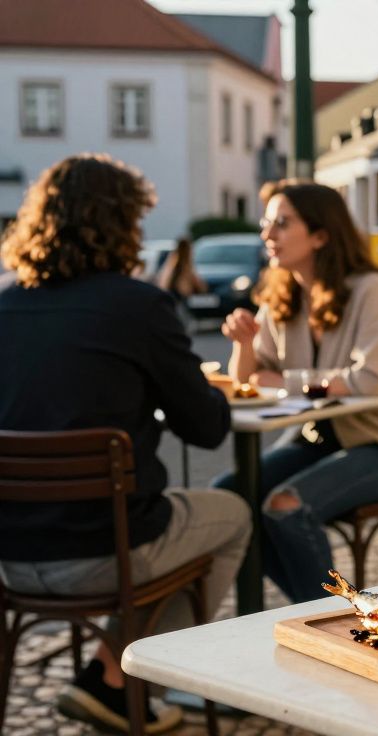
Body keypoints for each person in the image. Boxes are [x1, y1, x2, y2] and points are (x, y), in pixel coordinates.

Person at [0, 154, 250, 733]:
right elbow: (207, 428)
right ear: (124, 225)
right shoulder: (139, 306)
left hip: (10, 557)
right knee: (234, 513)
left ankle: (109, 676)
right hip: (104, 552)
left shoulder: (5, 305)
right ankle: (121, 676)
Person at [215, 181, 378, 603]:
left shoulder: (371, 289)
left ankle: (333, 618)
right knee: (229, 497)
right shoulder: (282, 293)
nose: (267, 234)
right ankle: (319, 610)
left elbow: (368, 381)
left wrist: (287, 382)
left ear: (321, 235)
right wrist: (241, 343)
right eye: (266, 223)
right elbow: (246, 381)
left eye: (282, 223)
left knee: (286, 505)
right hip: (316, 440)